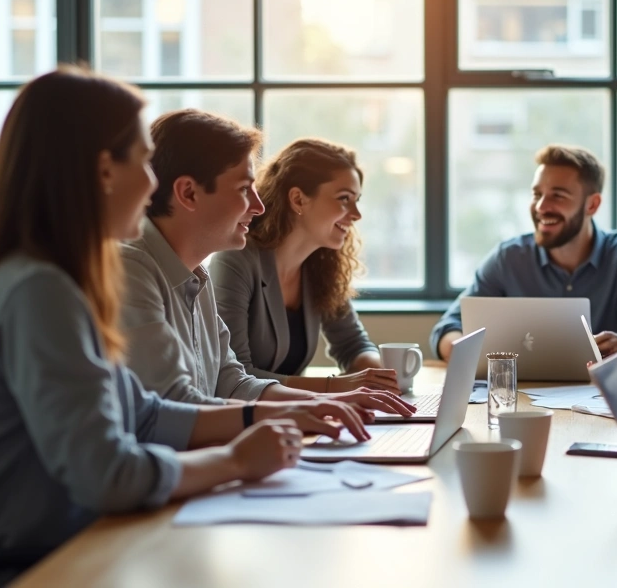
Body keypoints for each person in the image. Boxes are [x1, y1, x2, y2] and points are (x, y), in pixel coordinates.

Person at [0, 67, 365, 563]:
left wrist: (271, 414)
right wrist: (236, 459)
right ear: (104, 171)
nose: (153, 183)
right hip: (38, 564)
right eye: (146, 162)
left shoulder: (59, 279)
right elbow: (108, 474)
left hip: (76, 545)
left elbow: (147, 413)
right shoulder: (39, 291)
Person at [119, 109, 413, 417]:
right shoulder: (131, 269)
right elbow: (173, 410)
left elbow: (231, 381)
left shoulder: (195, 274)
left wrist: (331, 403)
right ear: (188, 193)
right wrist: (304, 407)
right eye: (244, 189)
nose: (258, 207)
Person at [431, 144, 617, 362]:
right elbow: (448, 326)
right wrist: (457, 347)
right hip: (519, 396)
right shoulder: (509, 258)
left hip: (598, 399)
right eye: (537, 194)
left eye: (558, 195)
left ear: (592, 205)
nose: (541, 206)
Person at [211, 137, 396, 394]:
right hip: (247, 423)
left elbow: (353, 345)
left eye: (357, 200)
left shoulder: (320, 266)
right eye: (344, 199)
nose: (356, 214)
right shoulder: (235, 261)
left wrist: (380, 378)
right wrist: (334, 387)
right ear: (298, 199)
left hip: (296, 419)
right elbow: (236, 375)